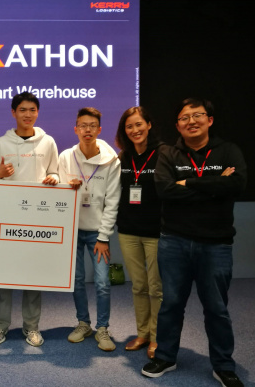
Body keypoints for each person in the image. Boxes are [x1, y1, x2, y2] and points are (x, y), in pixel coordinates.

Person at [142, 98, 247, 387]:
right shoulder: (168, 154)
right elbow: (165, 191)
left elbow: (236, 185)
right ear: (178, 125)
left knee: (217, 307)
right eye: (184, 118)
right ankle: (165, 356)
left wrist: (188, 183)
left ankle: (223, 365)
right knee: (171, 304)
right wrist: (215, 187)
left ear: (209, 120)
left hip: (216, 244)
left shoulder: (228, 151)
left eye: (197, 115)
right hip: (174, 241)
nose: (191, 121)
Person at [0, 92, 59, 347]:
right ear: (13, 113)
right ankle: (0, 325)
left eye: (32, 110)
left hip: (37, 220)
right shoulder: (0, 144)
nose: (27, 114)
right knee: (4, 276)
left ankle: (32, 327)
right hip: (7, 219)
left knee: (32, 275)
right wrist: (0, 174)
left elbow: (54, 172)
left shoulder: (48, 142)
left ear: (37, 112)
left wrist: (54, 179)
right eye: (22, 110)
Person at [58, 107, 121, 352]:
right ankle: (83, 323)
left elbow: (113, 201)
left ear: (99, 130)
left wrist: (104, 237)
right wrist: (65, 185)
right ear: (75, 129)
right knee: (76, 279)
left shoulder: (110, 161)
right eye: (83, 125)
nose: (87, 130)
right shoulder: (66, 157)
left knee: (103, 282)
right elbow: (58, 192)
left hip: (98, 233)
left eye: (92, 126)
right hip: (73, 230)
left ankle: (102, 328)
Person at [114, 107, 164, 359]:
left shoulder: (164, 154)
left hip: (156, 231)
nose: (134, 130)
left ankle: (157, 337)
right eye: (129, 127)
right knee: (138, 286)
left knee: (156, 287)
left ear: (149, 124)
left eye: (138, 124)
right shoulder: (123, 157)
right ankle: (143, 333)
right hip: (128, 231)